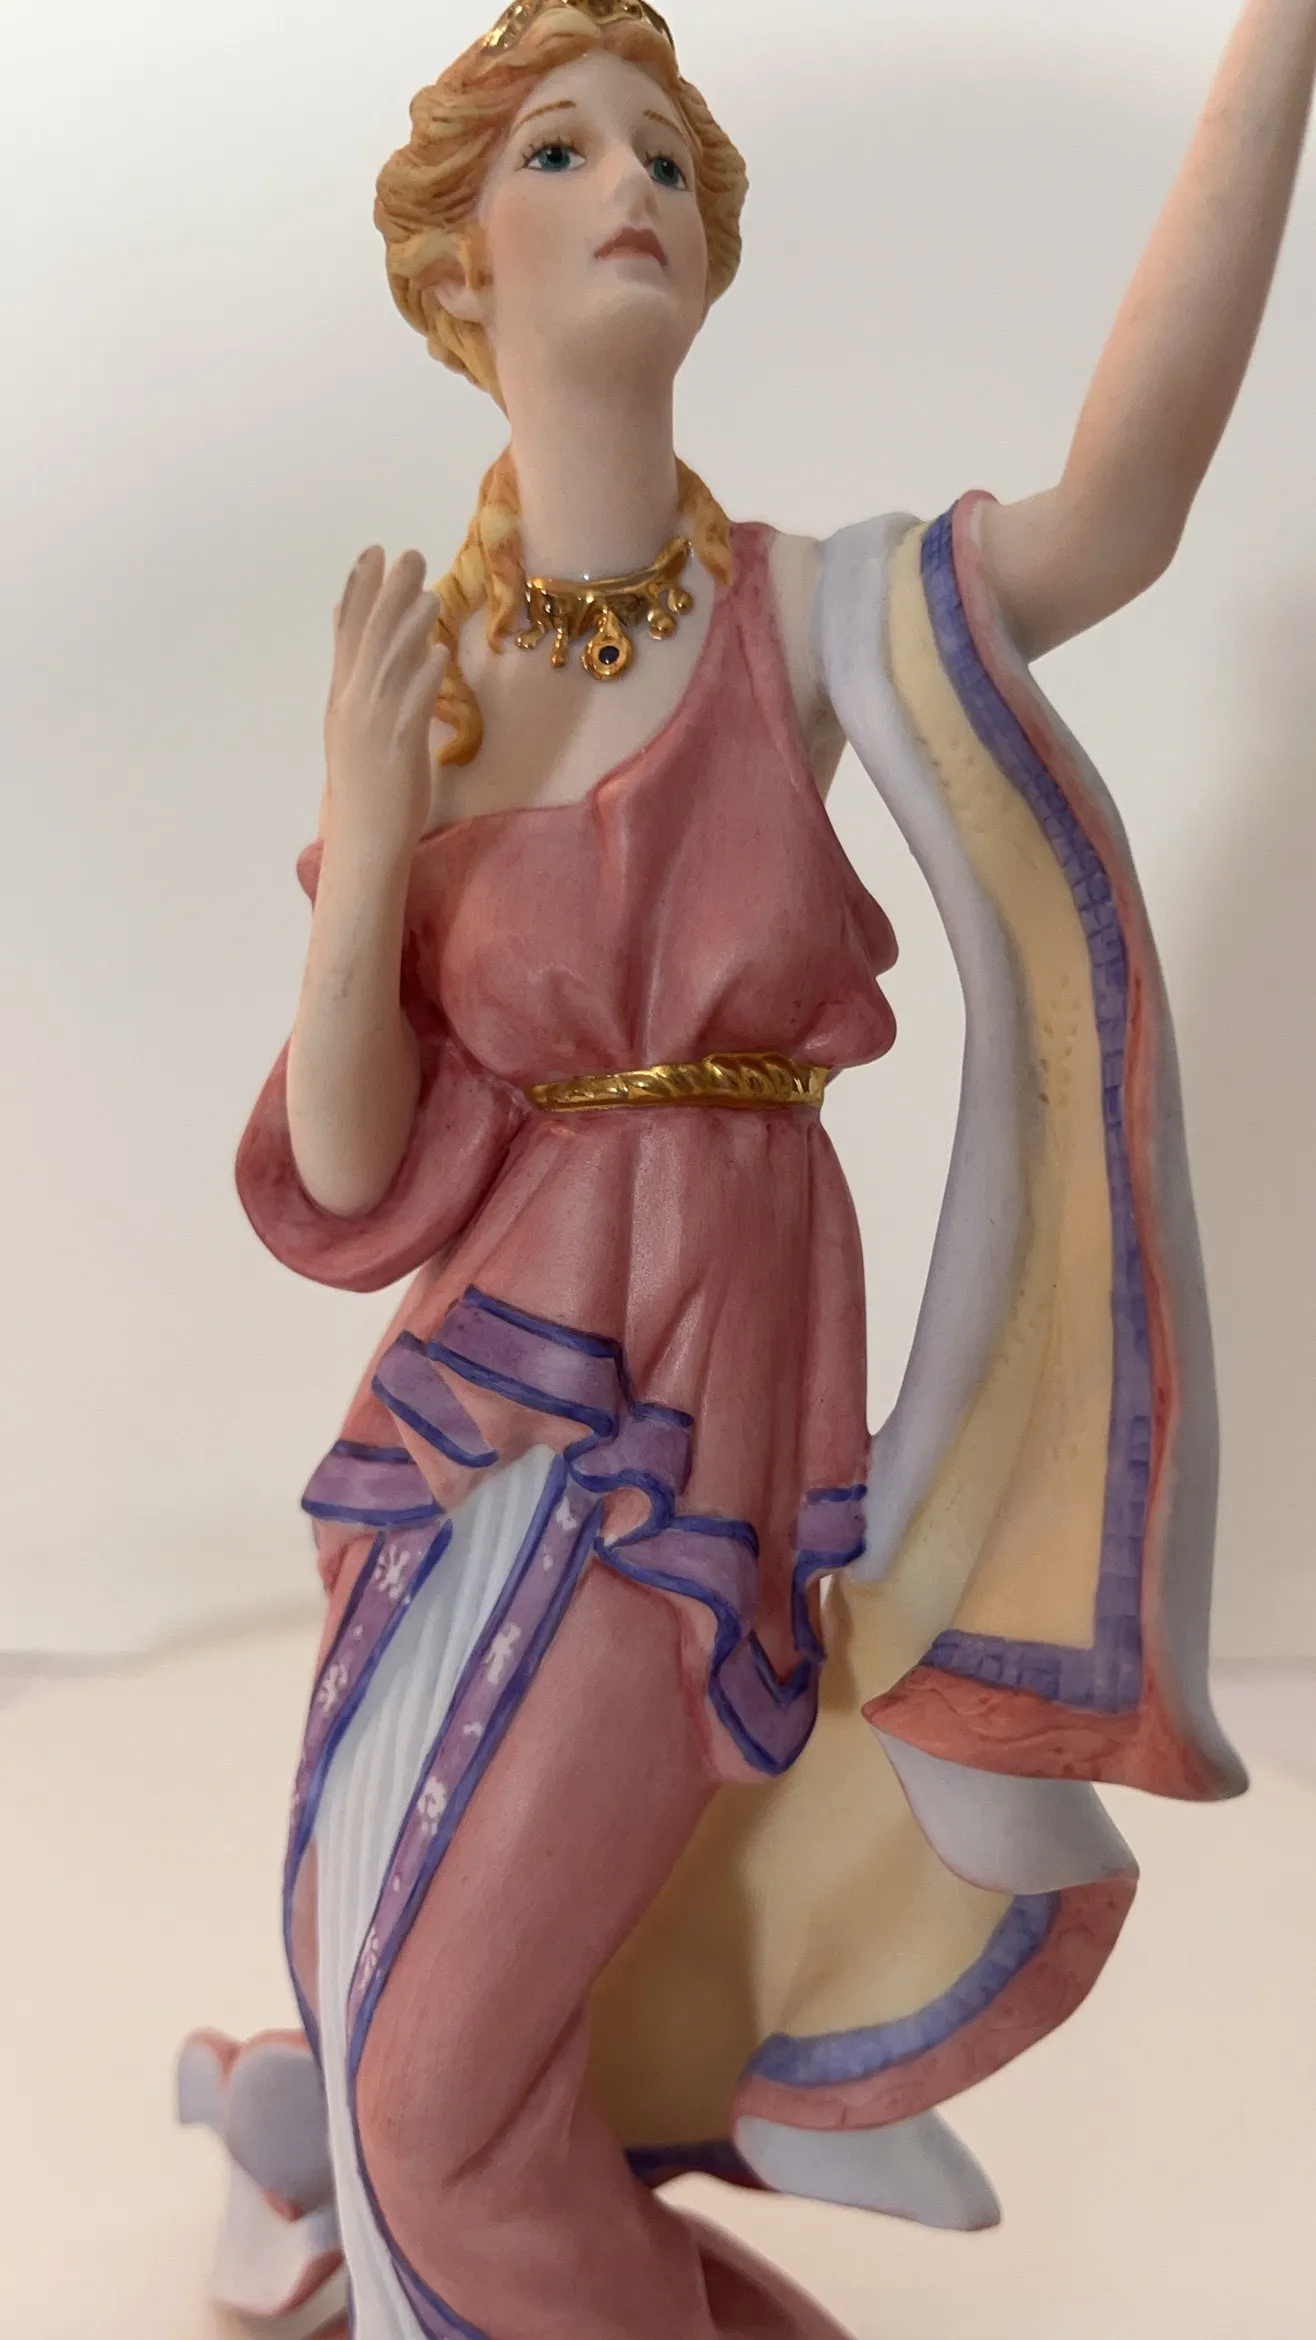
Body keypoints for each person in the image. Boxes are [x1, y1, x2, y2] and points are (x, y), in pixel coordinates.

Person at [177, 3, 1316, 2334]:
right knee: (397, 1998)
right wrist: (372, 834)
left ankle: (354, 2187)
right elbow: (350, 1174)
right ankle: (309, 2173)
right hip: (459, 1451)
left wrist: (1276, 46)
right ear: (458, 266)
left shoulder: (800, 615)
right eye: (564, 152)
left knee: (443, 2104)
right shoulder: (433, 687)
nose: (635, 188)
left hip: (684, 1459)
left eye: (669, 162)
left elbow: (1115, 514)